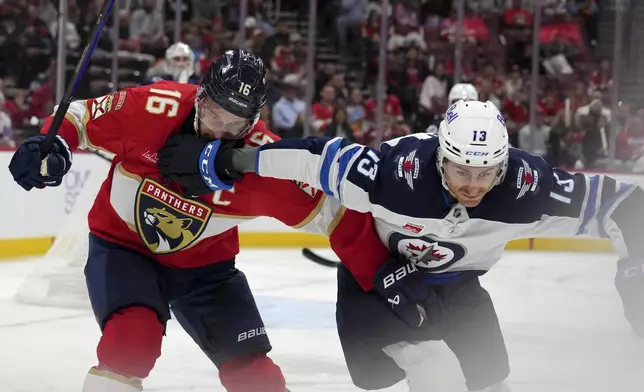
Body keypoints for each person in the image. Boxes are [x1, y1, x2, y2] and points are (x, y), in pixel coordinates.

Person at [159, 100, 644, 391]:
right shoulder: (395, 174)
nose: (473, 186)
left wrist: (636, 264)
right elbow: (313, 158)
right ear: (439, 158)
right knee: (435, 368)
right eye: (461, 171)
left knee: (493, 382)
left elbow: (624, 203)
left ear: (503, 167)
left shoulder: (526, 186)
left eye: (484, 174)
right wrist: (227, 159)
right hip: (377, 280)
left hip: (458, 288)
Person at [7, 49, 392, 392]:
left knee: (256, 376)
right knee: (131, 344)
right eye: (213, 114)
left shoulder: (265, 161)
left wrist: (387, 278)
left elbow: (337, 216)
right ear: (200, 95)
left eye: (235, 124)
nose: (219, 132)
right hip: (125, 249)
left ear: (254, 122)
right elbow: (80, 115)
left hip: (206, 272)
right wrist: (52, 144)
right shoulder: (156, 105)